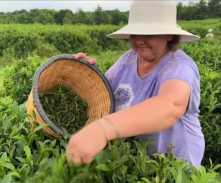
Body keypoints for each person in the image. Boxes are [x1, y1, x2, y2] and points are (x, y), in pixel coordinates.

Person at [66, 0, 205, 170]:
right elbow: (104, 91)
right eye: (135, 34)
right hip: (134, 165)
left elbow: (171, 105)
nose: (140, 41)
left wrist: (102, 130)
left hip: (173, 170)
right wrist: (88, 72)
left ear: (169, 35)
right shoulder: (128, 59)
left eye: (149, 34)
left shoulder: (179, 67)